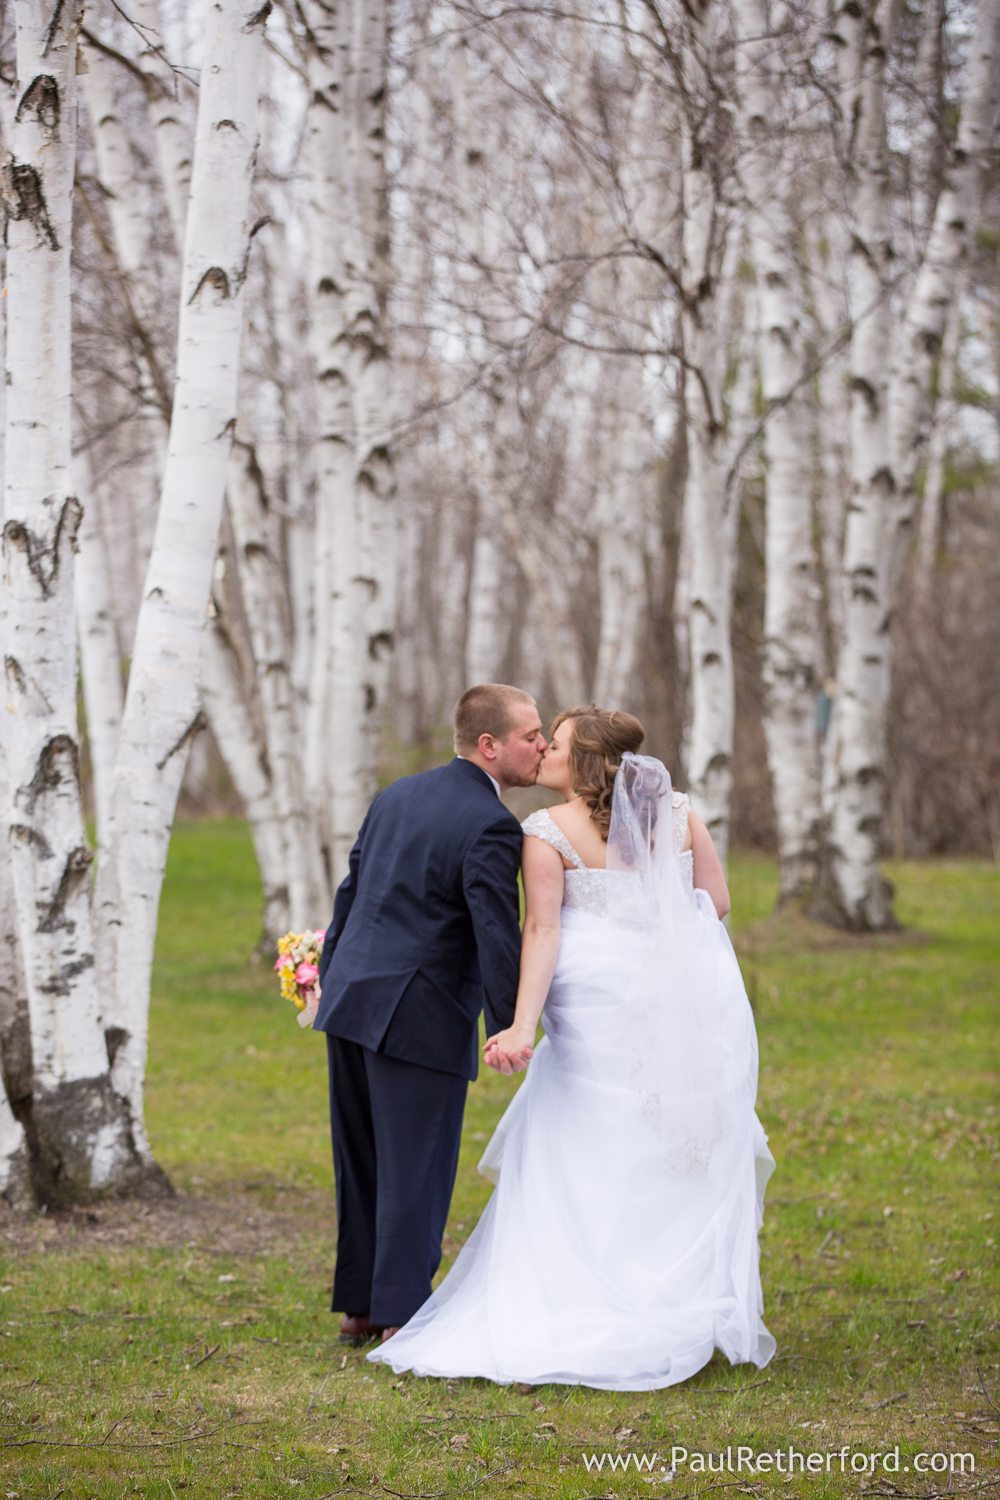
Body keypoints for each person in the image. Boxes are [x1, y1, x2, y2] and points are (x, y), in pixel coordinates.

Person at [368, 706, 775, 1389]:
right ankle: (666, 1300)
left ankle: (580, 1295)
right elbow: (718, 901)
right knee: (667, 1142)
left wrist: (523, 1025)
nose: (542, 753)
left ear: (581, 760)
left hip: (595, 1004)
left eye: (552, 744)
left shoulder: (544, 831)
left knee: (586, 1138)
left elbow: (542, 932)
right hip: (675, 1002)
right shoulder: (677, 814)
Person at [314, 684, 548, 1346]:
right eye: (531, 734)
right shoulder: (492, 824)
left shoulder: (396, 795)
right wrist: (508, 1025)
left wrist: (332, 979)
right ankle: (401, 1319)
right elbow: (496, 932)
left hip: (352, 1001)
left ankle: (360, 1308)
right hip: (418, 1015)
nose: (542, 743)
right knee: (415, 1166)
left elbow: (349, 894)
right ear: (489, 745)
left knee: (361, 1160)